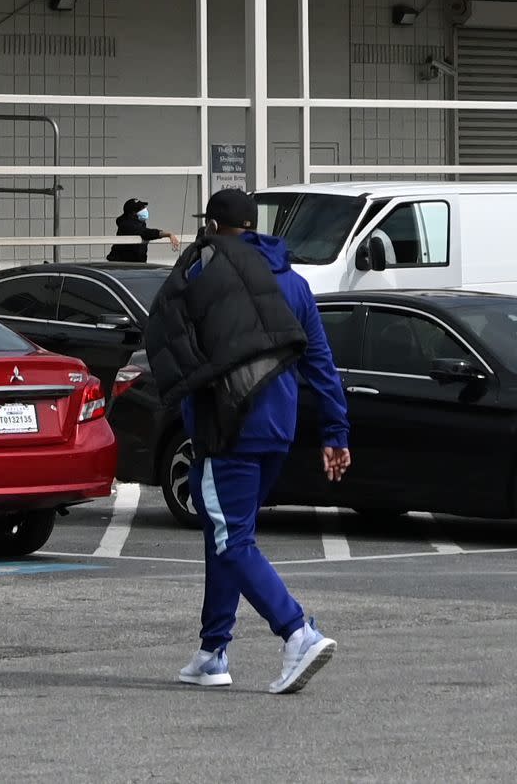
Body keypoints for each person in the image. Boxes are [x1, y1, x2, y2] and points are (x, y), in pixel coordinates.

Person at [143, 188, 351, 695]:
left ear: (212, 225)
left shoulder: (205, 274)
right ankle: (212, 652)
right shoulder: (295, 284)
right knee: (228, 536)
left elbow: (180, 344)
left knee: (231, 540)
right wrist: (335, 432)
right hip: (278, 428)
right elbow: (320, 363)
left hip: (228, 428)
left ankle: (297, 632)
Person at [106, 198, 178, 265]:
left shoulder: (139, 223)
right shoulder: (127, 225)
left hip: (135, 264)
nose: (145, 210)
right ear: (133, 213)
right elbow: (145, 233)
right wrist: (168, 234)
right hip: (121, 266)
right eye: (141, 209)